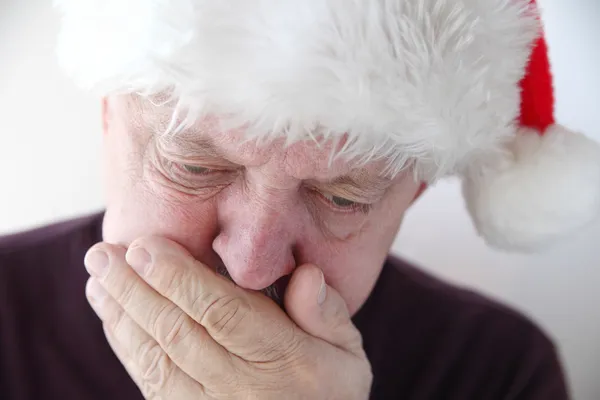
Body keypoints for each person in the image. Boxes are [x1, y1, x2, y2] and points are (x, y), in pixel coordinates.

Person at [1, 0, 599, 399]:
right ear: (109, 119)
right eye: (194, 165)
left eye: (341, 197)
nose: (250, 264)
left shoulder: (496, 373)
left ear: (413, 194)